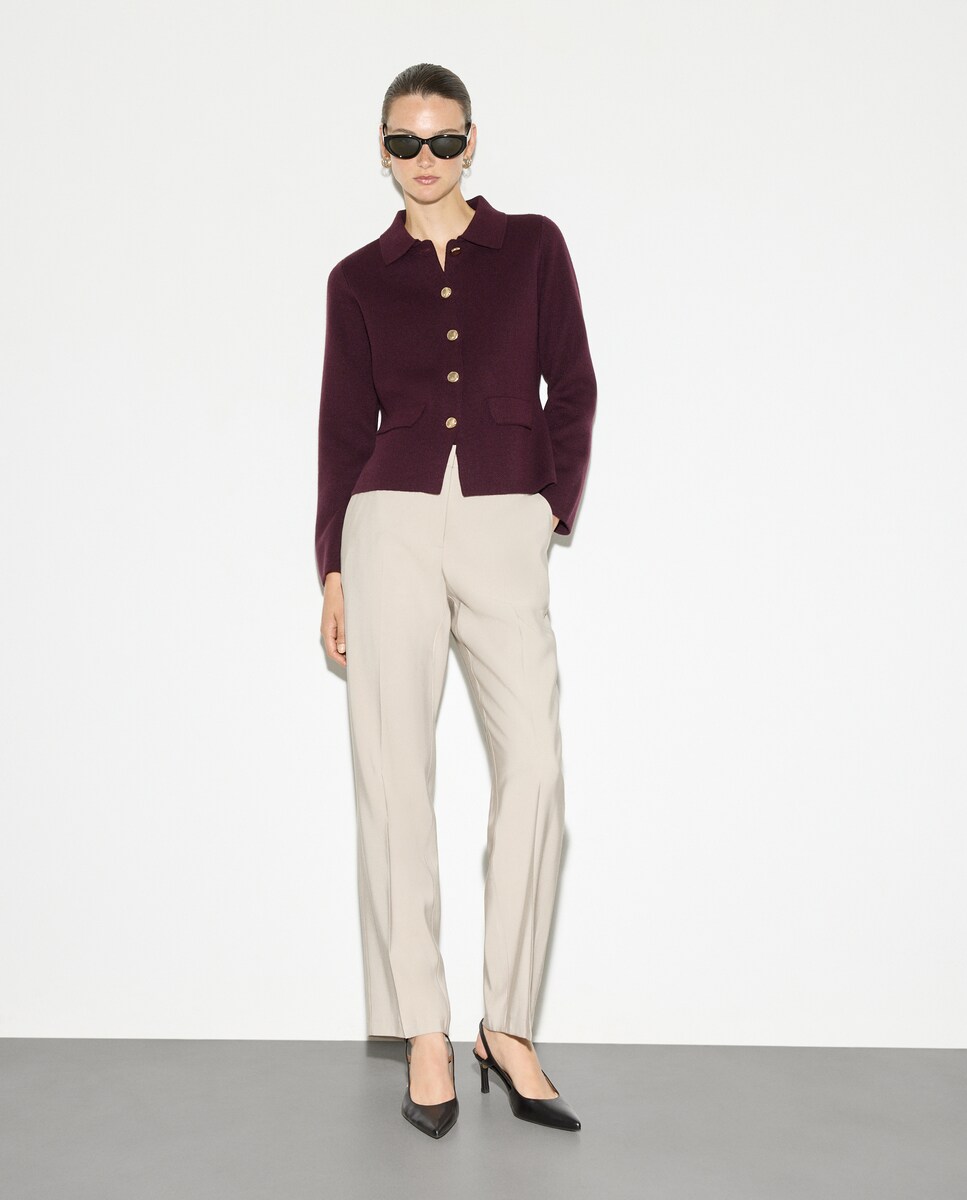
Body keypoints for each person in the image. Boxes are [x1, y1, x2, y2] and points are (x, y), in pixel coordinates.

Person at [315, 62, 596, 1138]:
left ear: (471, 142)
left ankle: (506, 1025)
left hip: (501, 516)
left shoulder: (532, 247)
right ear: (382, 151)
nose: (424, 161)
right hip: (385, 521)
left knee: (535, 768)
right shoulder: (357, 278)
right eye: (404, 143)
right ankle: (424, 1032)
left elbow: (572, 385)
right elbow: (342, 427)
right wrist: (331, 567)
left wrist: (546, 506)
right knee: (395, 776)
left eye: (442, 141)